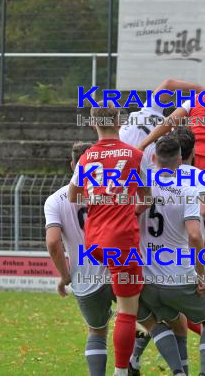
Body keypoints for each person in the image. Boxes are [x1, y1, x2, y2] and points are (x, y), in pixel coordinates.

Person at [128, 127, 205, 376]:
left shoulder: (139, 183)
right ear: (182, 158)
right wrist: (201, 275)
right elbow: (195, 234)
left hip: (147, 278)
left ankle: (176, 371)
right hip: (180, 274)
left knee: (166, 325)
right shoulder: (192, 183)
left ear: (153, 157)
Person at [68, 100, 150, 376]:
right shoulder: (134, 154)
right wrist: (131, 206)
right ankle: (120, 371)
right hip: (121, 239)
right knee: (128, 311)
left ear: (93, 124)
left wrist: (98, 198)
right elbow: (146, 196)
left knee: (118, 302)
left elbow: (72, 195)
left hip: (94, 239)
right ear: (119, 123)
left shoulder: (86, 156)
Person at [136, 84, 205, 248]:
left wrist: (143, 144)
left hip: (192, 157)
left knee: (178, 200)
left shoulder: (200, 97)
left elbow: (170, 120)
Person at [45, 142, 114, 376]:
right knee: (142, 317)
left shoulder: (55, 200)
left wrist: (65, 276)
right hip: (117, 268)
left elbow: (53, 242)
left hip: (84, 277)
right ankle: (133, 361)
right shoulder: (112, 191)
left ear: (73, 164)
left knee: (97, 331)